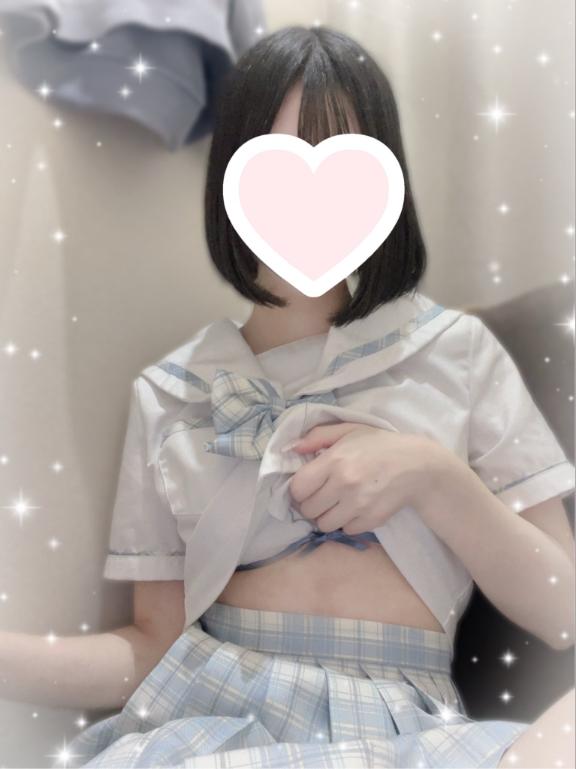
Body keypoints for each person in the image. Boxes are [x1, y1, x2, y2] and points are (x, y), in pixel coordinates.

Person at [2, 25, 575, 769]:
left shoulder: (456, 353)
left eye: (343, 160)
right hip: (213, 720)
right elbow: (153, 648)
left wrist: (435, 477)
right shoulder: (171, 393)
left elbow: (563, 610)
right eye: (277, 163)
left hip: (408, 732)